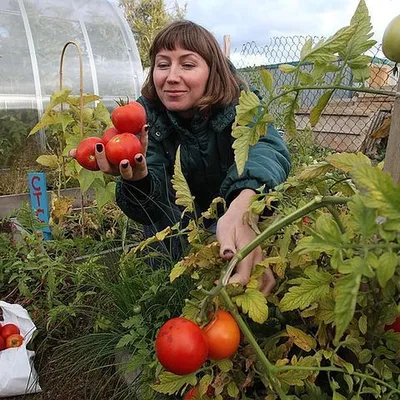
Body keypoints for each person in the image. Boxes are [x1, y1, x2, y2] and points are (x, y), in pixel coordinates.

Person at [74, 20, 291, 293]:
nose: (172, 76)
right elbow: (151, 212)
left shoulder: (242, 104)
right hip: (173, 241)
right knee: (170, 296)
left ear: (213, 71)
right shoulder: (144, 118)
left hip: (234, 223)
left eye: (187, 65)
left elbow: (268, 149)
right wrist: (139, 182)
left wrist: (242, 210)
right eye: (163, 65)